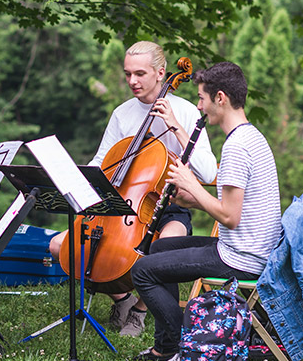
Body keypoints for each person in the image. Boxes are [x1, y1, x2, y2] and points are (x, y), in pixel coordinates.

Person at [48, 41, 217, 337]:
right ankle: (124, 301)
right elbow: (102, 161)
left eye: (140, 73)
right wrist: (75, 176)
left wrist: (174, 125)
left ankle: (141, 312)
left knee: (163, 249)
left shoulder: (187, 111)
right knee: (61, 245)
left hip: (170, 205)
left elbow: (209, 171)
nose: (132, 81)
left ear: (161, 73)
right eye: (127, 74)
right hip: (124, 205)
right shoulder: (122, 113)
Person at [130, 61, 282, 361]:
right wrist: (192, 199)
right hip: (247, 247)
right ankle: (168, 345)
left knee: (141, 271)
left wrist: (192, 185)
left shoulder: (237, 147)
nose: (200, 106)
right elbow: (237, 205)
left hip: (241, 258)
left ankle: (177, 344)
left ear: (220, 98)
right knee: (159, 247)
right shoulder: (251, 136)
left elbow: (229, 217)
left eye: (202, 98)